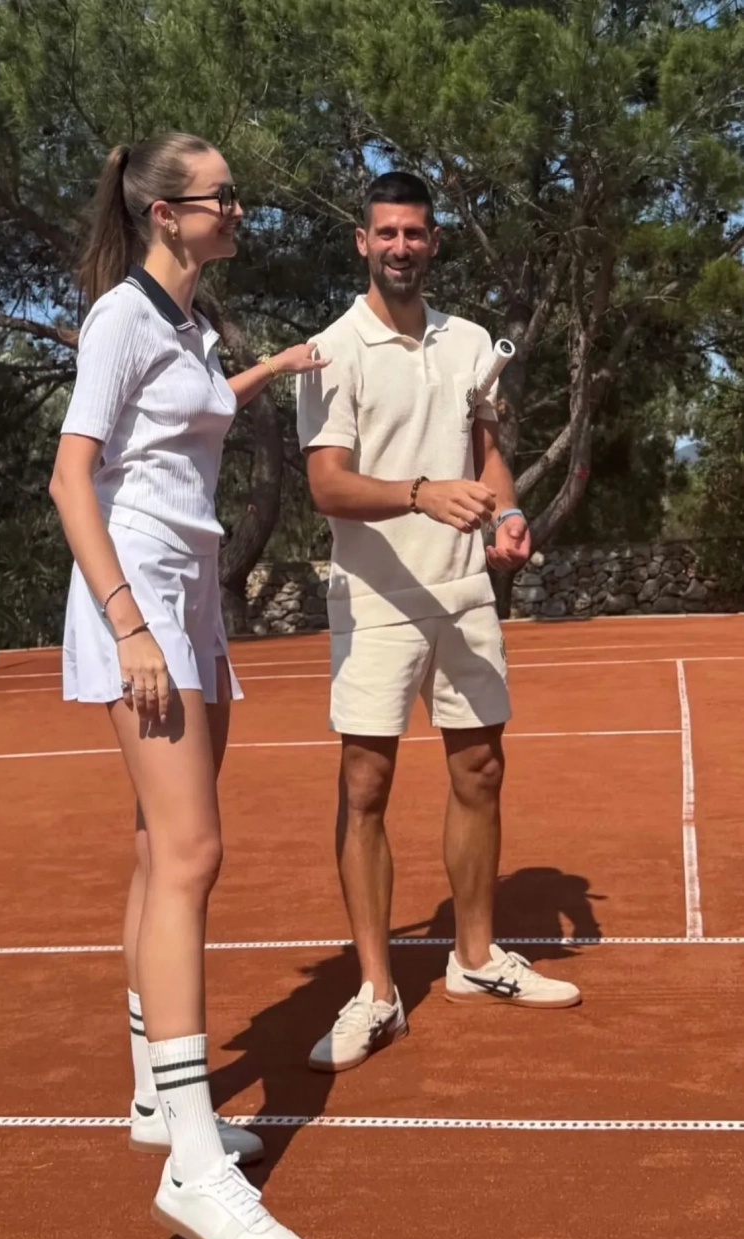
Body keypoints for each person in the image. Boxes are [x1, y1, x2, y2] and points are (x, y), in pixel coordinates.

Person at [49, 131, 323, 1239]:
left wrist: (276, 366)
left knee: (159, 846)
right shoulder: (121, 318)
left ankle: (153, 1101)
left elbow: (193, 412)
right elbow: (71, 474)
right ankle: (193, 1161)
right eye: (222, 198)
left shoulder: (190, 325)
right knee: (192, 853)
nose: (239, 209)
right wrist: (127, 625)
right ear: (165, 212)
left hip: (192, 598)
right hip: (142, 599)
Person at [295, 172, 581, 1075]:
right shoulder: (332, 350)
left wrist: (508, 513)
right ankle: (376, 990)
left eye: (414, 233)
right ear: (362, 242)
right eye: (386, 233)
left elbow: (486, 452)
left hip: (463, 593)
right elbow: (327, 484)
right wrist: (420, 494)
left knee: (481, 768)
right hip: (376, 599)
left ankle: (475, 957)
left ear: (434, 241)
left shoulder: (468, 343)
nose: (401, 247)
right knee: (366, 787)